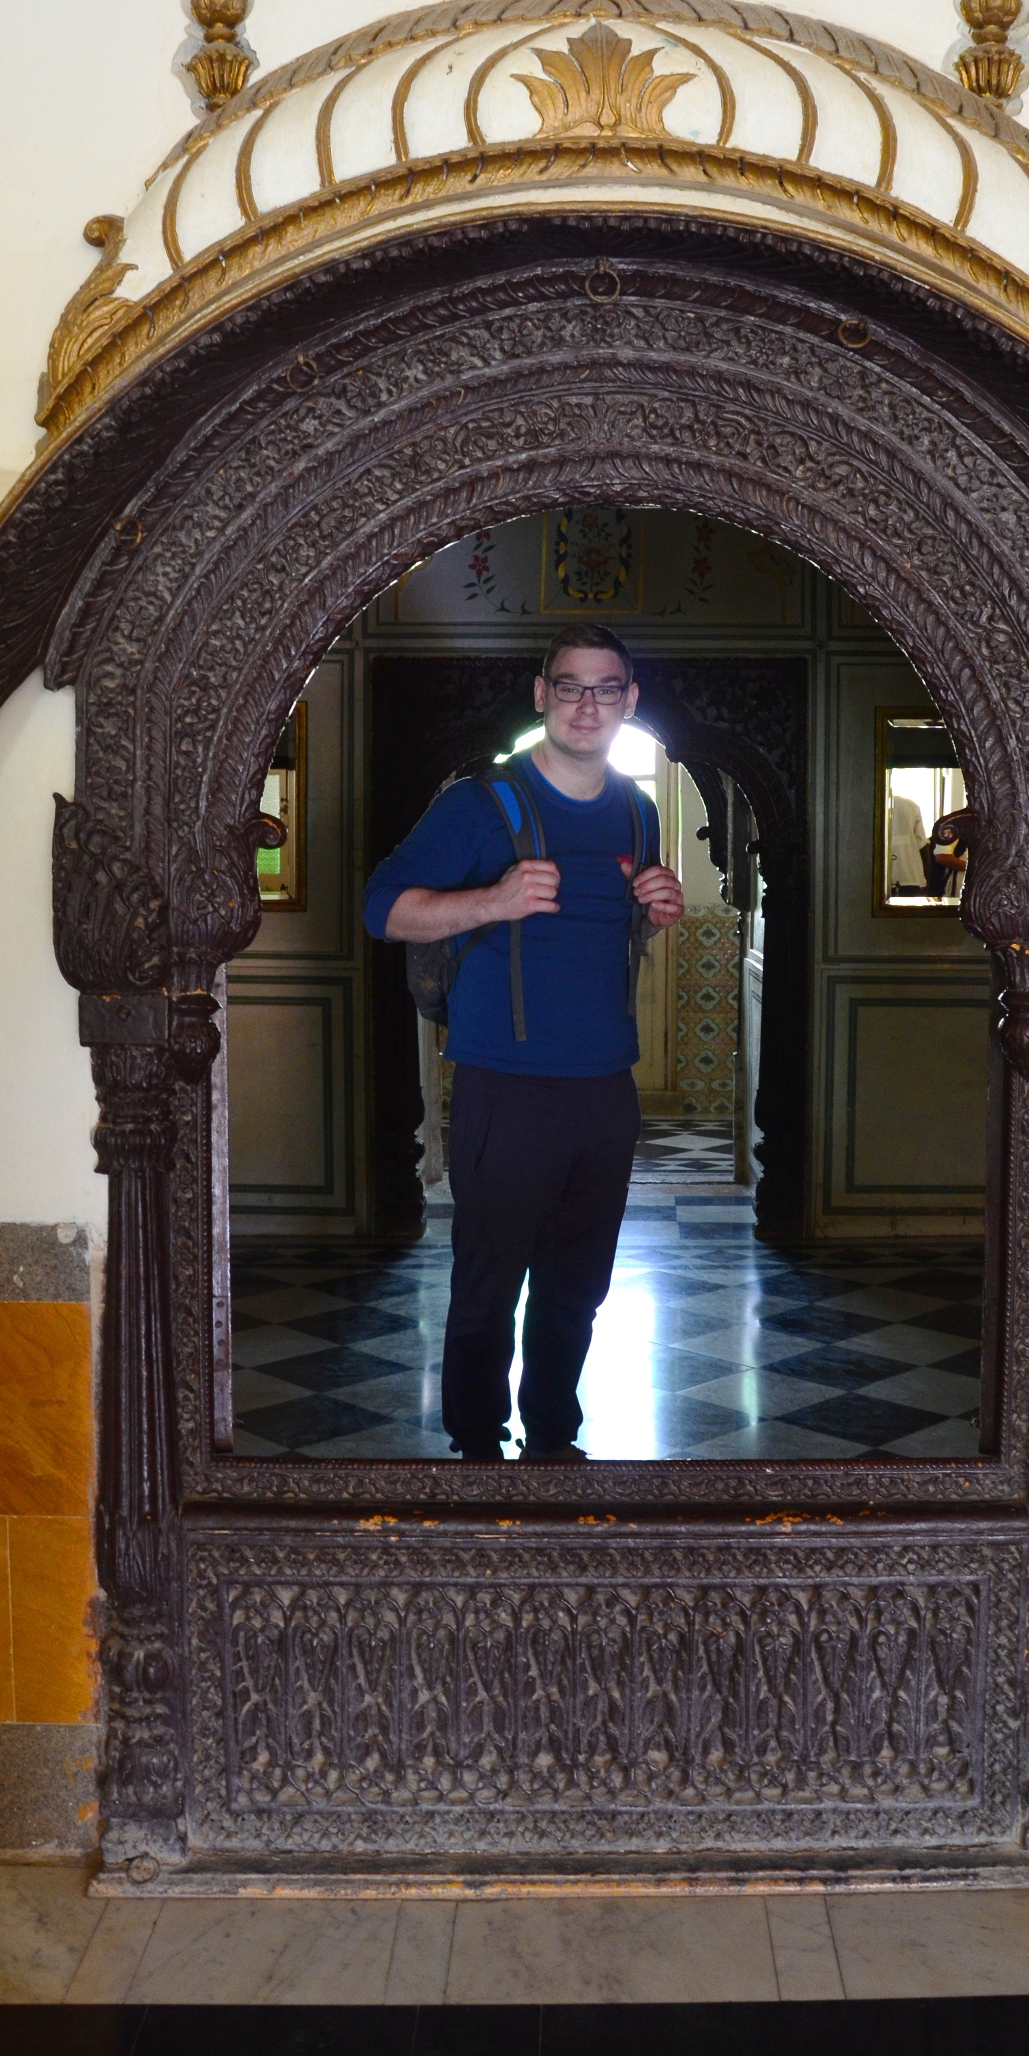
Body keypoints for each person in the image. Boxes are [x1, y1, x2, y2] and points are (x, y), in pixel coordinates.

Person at [363, 625, 684, 1462]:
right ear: (541, 694)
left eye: (605, 689)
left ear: (628, 701)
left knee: (576, 1289)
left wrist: (655, 908)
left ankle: (551, 1444)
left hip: (605, 1090)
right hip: (504, 1088)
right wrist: (491, 902)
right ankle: (476, 1449)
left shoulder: (637, 809)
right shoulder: (480, 805)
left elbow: (610, 930)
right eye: (569, 686)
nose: (587, 705)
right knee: (487, 1287)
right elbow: (381, 909)